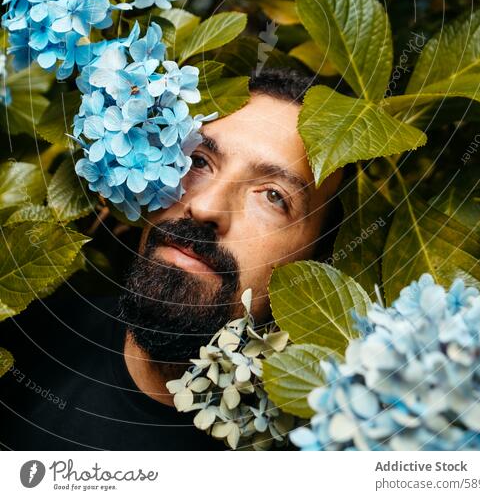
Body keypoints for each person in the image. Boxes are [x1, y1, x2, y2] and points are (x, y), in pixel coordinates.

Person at [0, 68, 343, 451]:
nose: (206, 206)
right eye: (199, 161)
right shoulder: (23, 341)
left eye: (273, 196)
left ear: (320, 257)